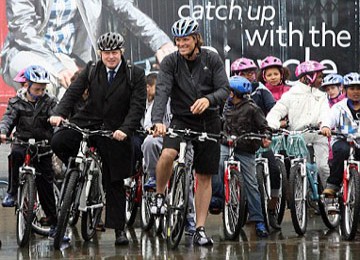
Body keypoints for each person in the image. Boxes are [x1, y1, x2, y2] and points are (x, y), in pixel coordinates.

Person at [49, 32, 146, 246]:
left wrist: (125, 129)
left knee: (114, 179)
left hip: (116, 129)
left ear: (121, 52)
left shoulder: (135, 74)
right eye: (106, 53)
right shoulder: (92, 70)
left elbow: (137, 107)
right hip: (89, 121)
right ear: (100, 53)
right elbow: (72, 93)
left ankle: (119, 229)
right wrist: (59, 113)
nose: (110, 57)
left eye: (114, 53)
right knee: (58, 141)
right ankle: (76, 172)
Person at [151, 17, 229, 246]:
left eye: (186, 39)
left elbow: (224, 88)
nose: (182, 43)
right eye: (178, 40)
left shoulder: (212, 58)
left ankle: (200, 229)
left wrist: (209, 99)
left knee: (204, 176)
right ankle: (159, 195)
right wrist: (158, 121)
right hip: (180, 120)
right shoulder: (169, 62)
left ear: (196, 39)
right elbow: (162, 91)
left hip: (209, 122)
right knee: (167, 154)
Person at [1, 0, 175, 98]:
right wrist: (57, 67)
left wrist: (160, 42)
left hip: (68, 58)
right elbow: (24, 32)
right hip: (26, 53)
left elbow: (126, 10)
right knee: (40, 77)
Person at [0, 65, 69, 241]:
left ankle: (55, 225)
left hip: (43, 146)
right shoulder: (17, 102)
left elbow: (56, 116)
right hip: (22, 142)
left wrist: (57, 122)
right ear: (27, 86)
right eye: (36, 89)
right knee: (15, 155)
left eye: (43, 89)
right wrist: (3, 131)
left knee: (45, 186)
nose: (40, 92)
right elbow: (8, 119)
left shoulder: (50, 102)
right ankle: (12, 192)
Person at [221, 76, 272, 237]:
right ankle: (217, 198)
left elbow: (265, 127)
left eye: (230, 91)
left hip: (245, 149)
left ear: (234, 93)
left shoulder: (252, 108)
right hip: (226, 146)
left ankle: (259, 220)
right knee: (216, 166)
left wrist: (265, 137)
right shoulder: (224, 107)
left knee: (251, 184)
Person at [266, 60, 330, 185]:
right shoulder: (291, 95)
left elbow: (325, 113)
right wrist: (272, 126)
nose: (322, 80)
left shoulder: (322, 96)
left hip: (319, 136)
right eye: (320, 77)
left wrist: (325, 126)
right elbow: (275, 112)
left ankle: (329, 199)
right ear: (308, 77)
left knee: (323, 167)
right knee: (298, 166)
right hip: (298, 137)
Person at [321, 72, 360, 196]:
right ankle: (333, 185)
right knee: (341, 150)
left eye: (358, 88)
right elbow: (329, 118)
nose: (355, 92)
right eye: (352, 88)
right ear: (345, 90)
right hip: (342, 138)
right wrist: (326, 127)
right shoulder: (339, 107)